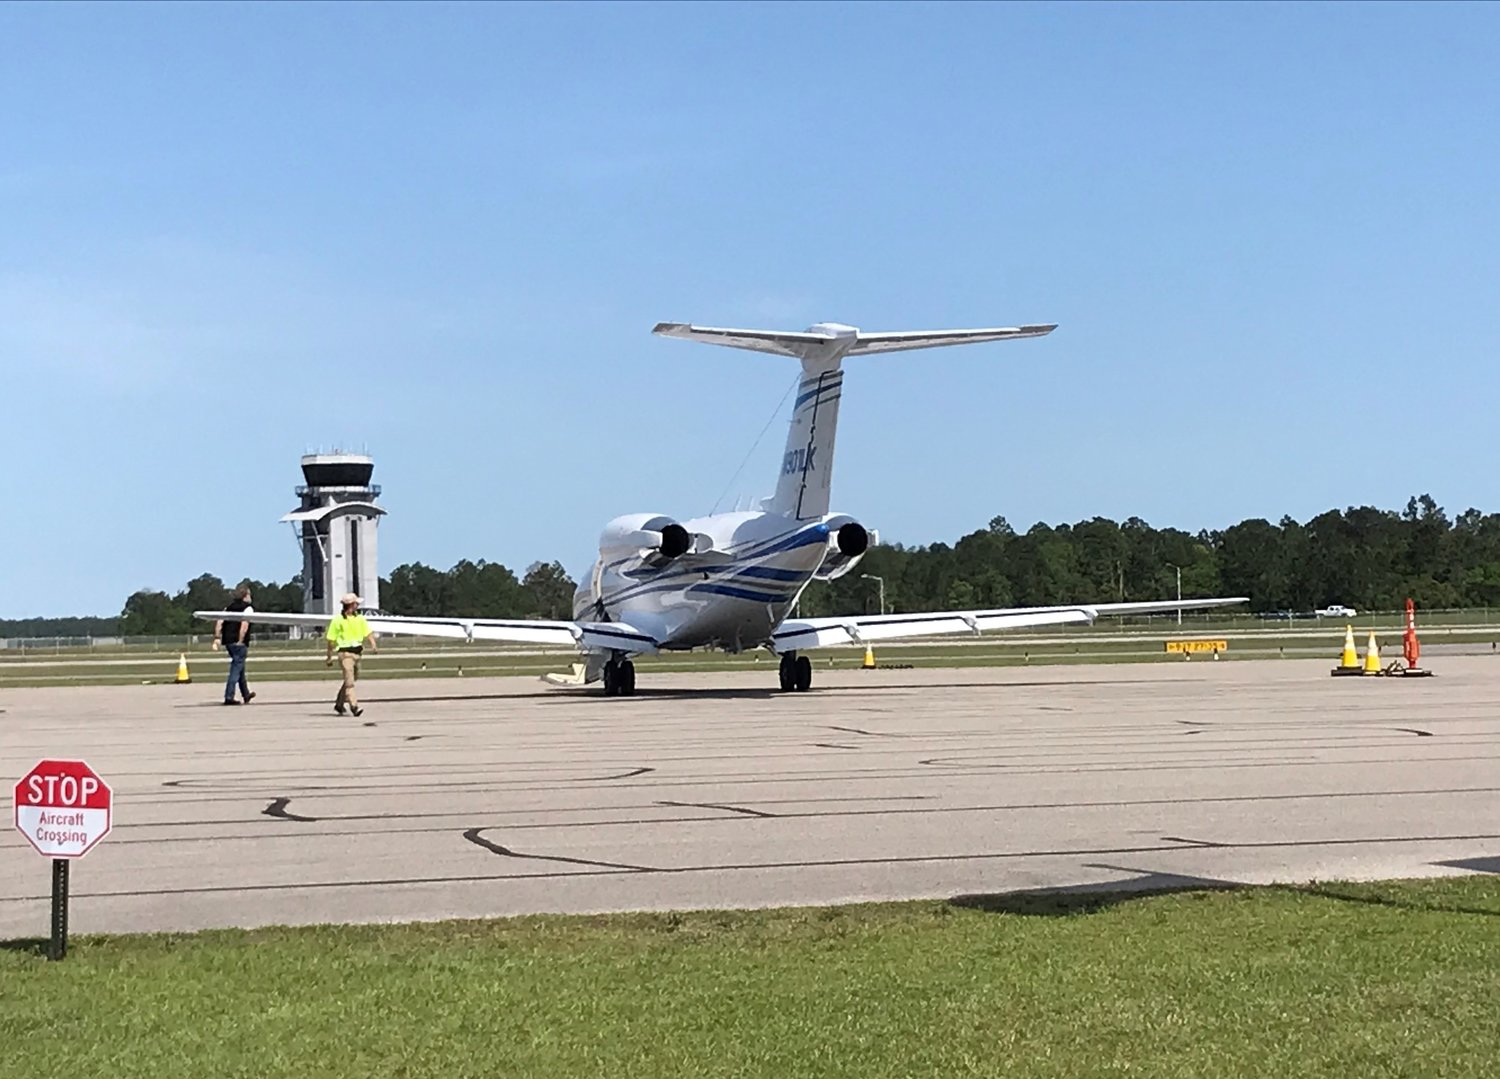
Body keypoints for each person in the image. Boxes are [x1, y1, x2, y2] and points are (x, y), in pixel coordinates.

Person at [326, 592, 377, 717]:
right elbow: (331, 640)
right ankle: (354, 706)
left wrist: (373, 644)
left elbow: (368, 632)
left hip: (357, 654)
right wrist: (329, 656)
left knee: (350, 679)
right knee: (350, 683)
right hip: (345, 654)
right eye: (356, 603)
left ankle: (339, 703)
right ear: (351, 605)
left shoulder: (359, 618)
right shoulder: (337, 620)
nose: (358, 605)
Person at [212, 584, 256, 706]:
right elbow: (244, 625)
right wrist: (241, 640)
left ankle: (246, 694)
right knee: (235, 669)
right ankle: (229, 696)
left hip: (228, 641)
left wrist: (217, 637)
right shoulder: (248, 608)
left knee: (239, 667)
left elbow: (219, 622)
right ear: (245, 596)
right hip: (238, 643)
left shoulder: (228, 608)